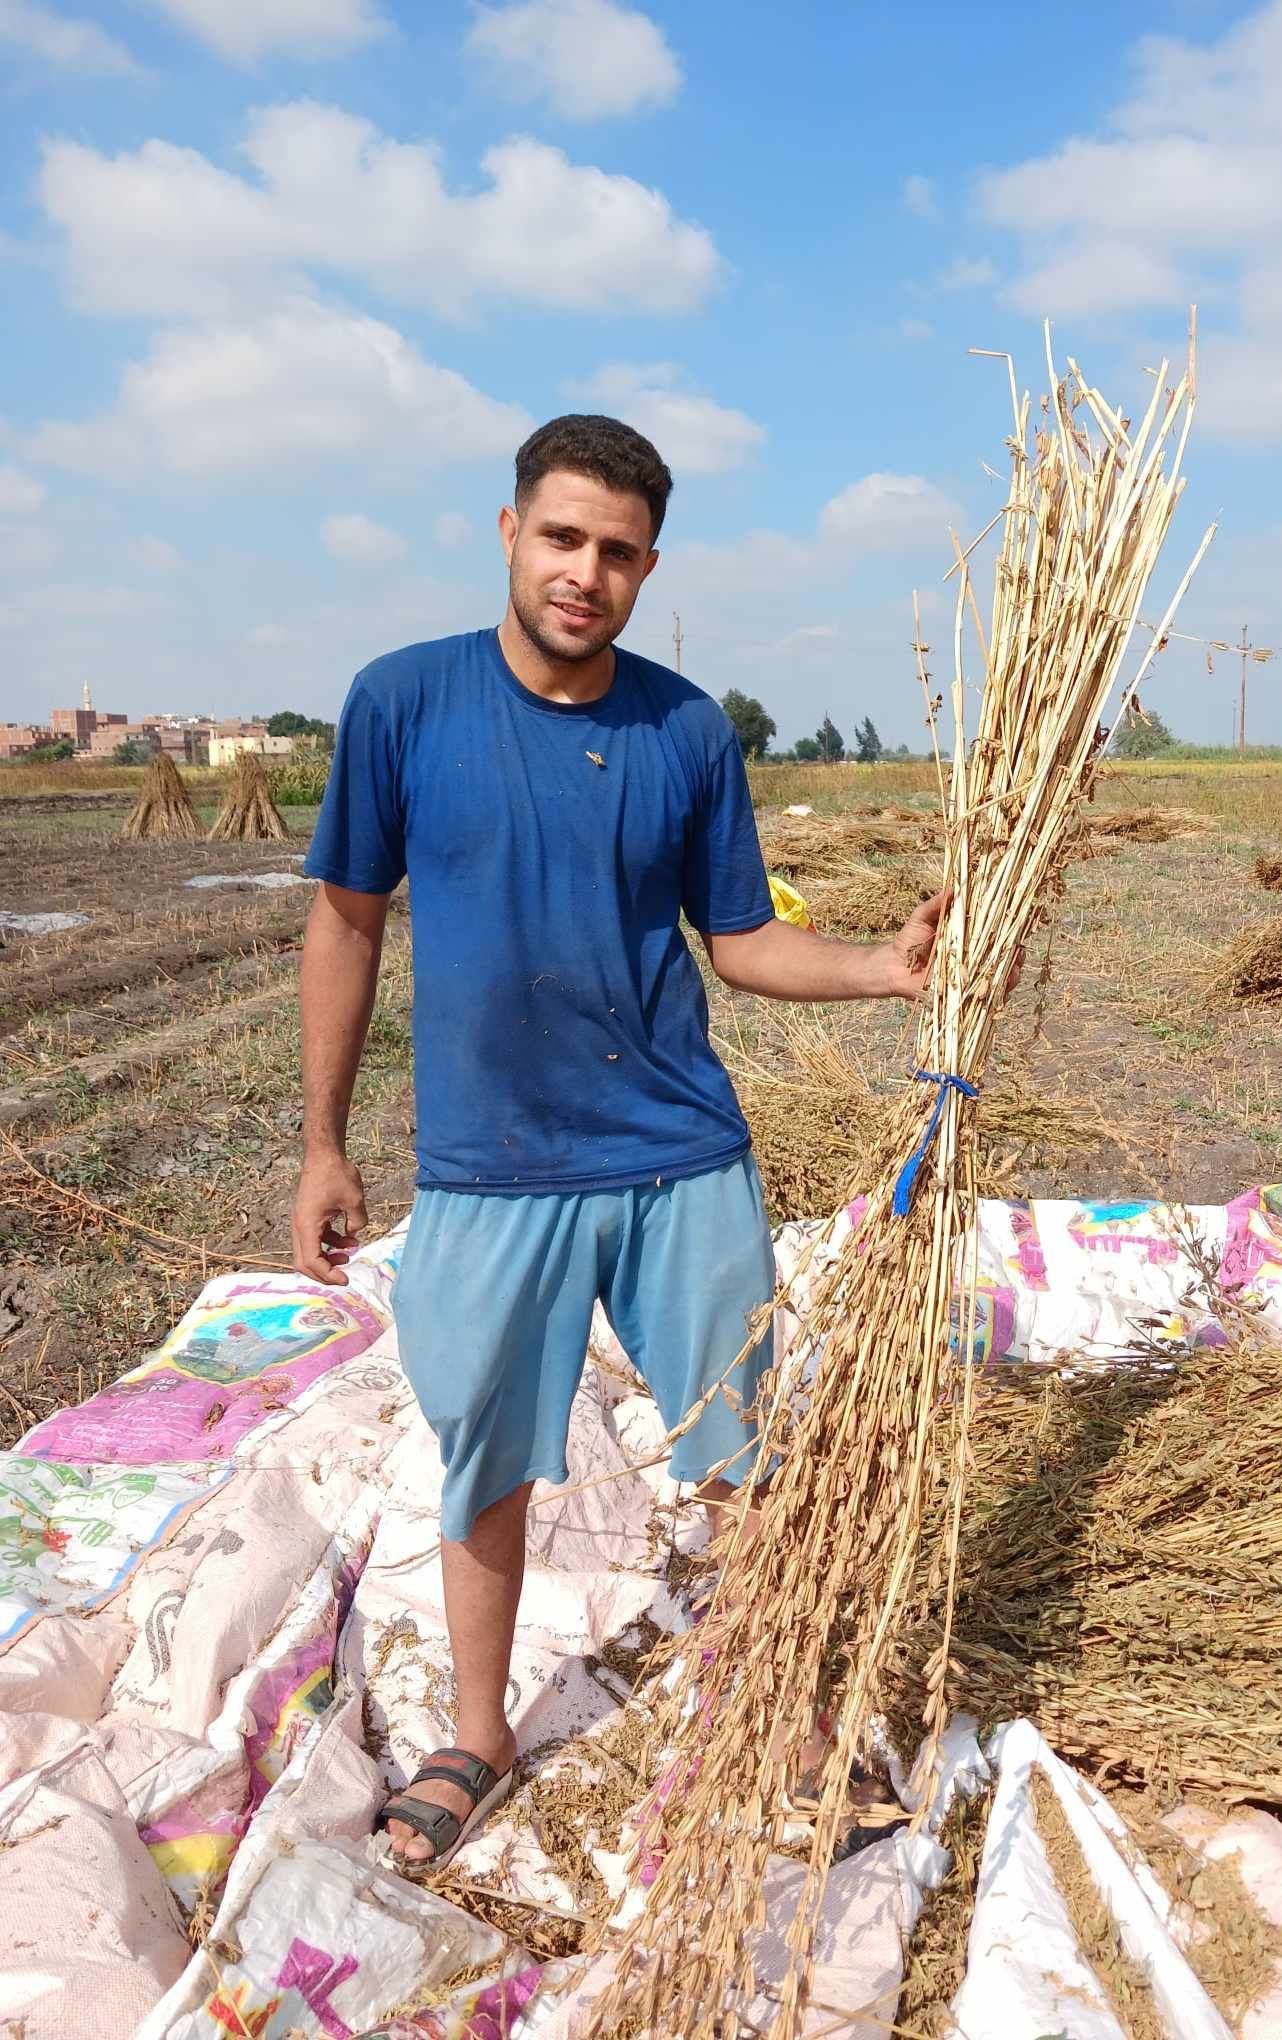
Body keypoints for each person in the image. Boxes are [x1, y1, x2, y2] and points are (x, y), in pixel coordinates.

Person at [291, 413, 944, 1871]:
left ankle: (785, 1722)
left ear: (649, 567)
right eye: (564, 536)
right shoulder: (401, 703)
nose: (586, 571)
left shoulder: (683, 730)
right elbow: (344, 919)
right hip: (488, 1166)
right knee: (486, 1462)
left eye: (620, 552)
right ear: (510, 532)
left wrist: (885, 971)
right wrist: (324, 1143)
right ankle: (479, 1732)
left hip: (676, 1159)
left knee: (745, 1453)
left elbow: (743, 939)